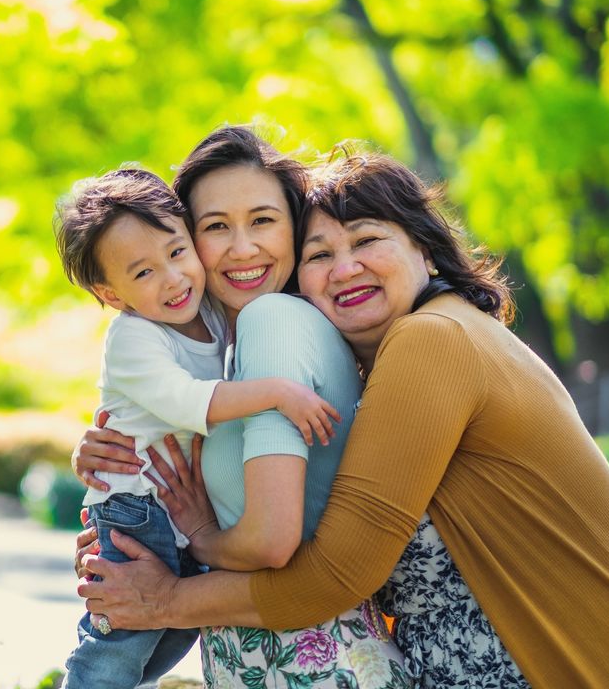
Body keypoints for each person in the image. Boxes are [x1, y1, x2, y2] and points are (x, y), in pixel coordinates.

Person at [74, 144, 609, 688]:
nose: (344, 268)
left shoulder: (433, 341)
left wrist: (163, 600)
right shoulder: (362, 362)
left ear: (425, 247)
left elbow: (333, 574)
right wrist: (129, 492)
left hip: (576, 664)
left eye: (368, 241)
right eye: (321, 253)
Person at [64, 134, 408, 687]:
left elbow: (271, 542)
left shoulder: (271, 320)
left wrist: (192, 540)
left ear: (295, 226)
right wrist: (110, 454)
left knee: (117, 652)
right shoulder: (236, 331)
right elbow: (175, 400)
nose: (242, 249)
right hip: (273, 657)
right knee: (123, 650)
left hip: (308, 664)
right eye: (216, 226)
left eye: (264, 220)